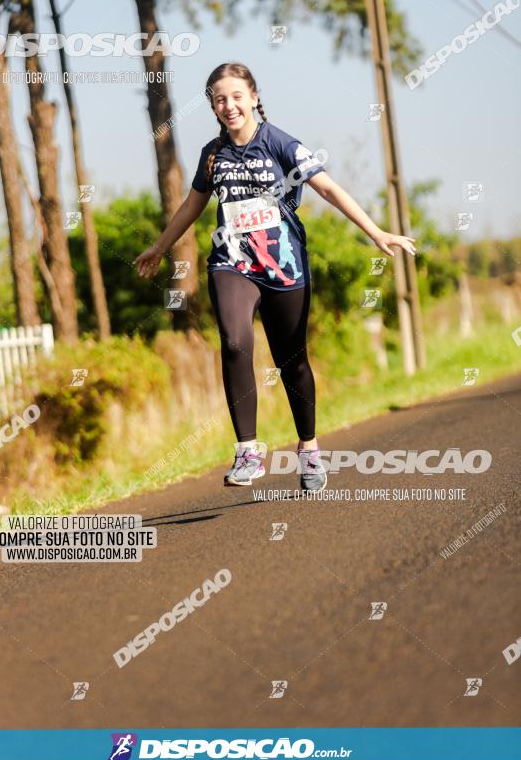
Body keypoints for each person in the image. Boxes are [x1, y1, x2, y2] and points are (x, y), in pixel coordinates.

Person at [135, 62, 416, 489]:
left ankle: (309, 449)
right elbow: (193, 204)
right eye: (219, 99)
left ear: (253, 97)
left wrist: (375, 231)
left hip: (284, 266)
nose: (228, 106)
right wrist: (159, 246)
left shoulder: (280, 144)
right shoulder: (213, 154)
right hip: (233, 262)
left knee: (292, 362)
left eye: (235, 96)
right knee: (234, 341)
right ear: (212, 107)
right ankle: (248, 450)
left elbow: (328, 188)